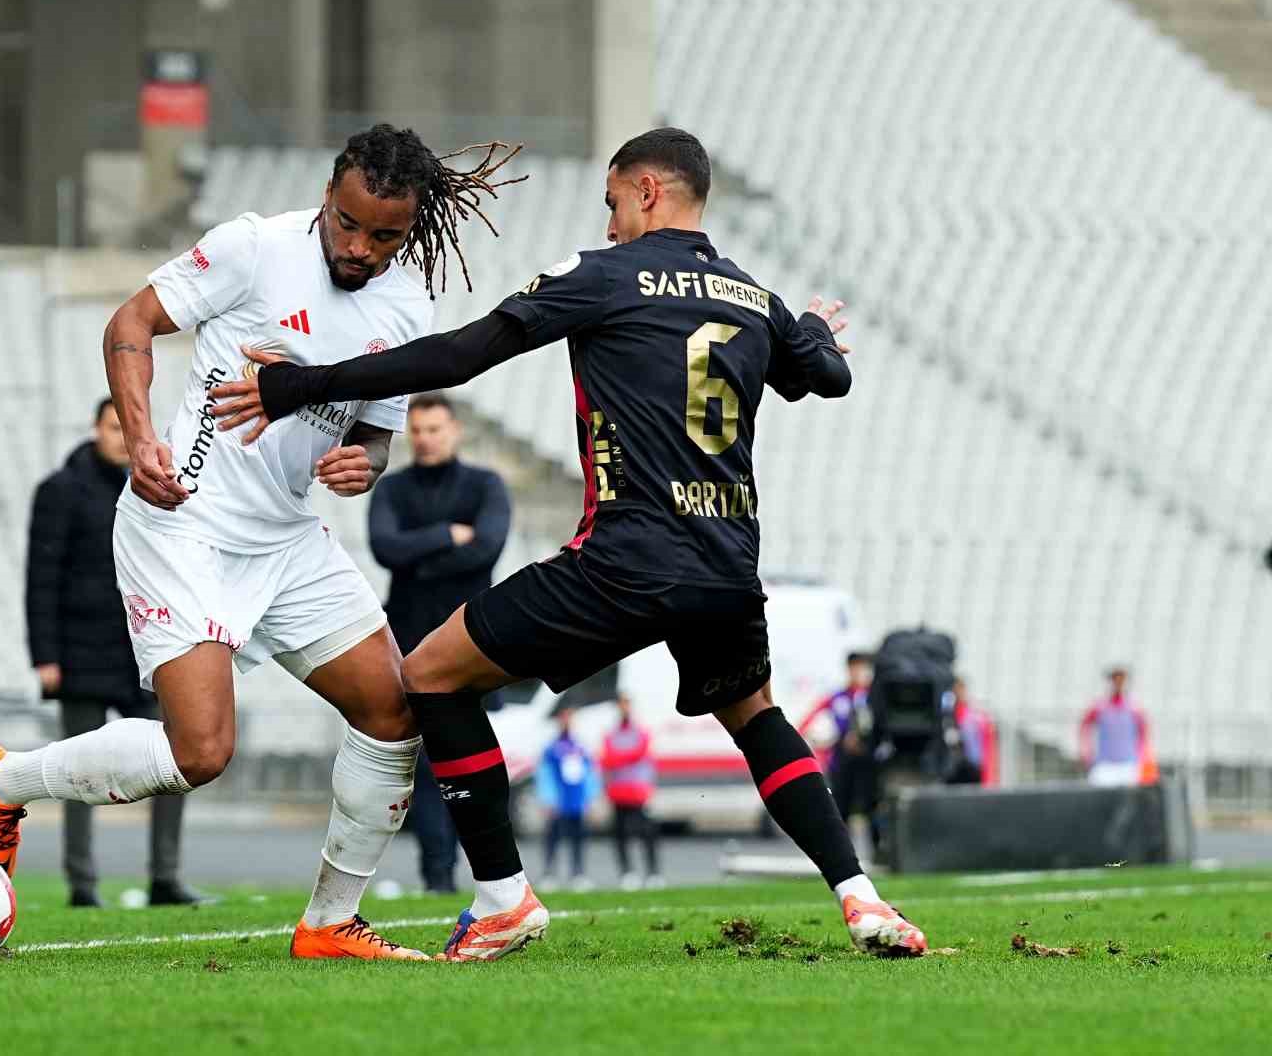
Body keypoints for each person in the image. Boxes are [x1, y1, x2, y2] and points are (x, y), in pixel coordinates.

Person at [211, 126, 928, 960]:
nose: (612, 220)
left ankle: (503, 898)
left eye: (615, 201)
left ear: (649, 191)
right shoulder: (751, 296)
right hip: (727, 565)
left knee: (433, 675)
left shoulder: (605, 276)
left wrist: (300, 383)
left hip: (626, 559)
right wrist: (805, 330)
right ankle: (864, 900)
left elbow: (460, 354)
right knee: (756, 715)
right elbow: (827, 377)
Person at [0, 124, 524, 961]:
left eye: (384, 235)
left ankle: (329, 923)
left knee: (394, 711)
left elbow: (375, 435)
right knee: (203, 751)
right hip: (185, 520)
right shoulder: (254, 248)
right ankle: (0, 783)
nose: (361, 247)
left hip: (289, 537)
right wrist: (143, 438)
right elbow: (132, 322)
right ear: (329, 193)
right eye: (348, 223)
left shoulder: (408, 305)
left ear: (412, 228)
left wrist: (361, 465)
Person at [27, 398, 198, 908]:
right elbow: (41, 577)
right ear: (95, 429)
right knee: (78, 771)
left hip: (143, 650)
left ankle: (164, 876)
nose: (122, 439)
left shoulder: (154, 488)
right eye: (112, 427)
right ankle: (82, 884)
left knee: (176, 760)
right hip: (80, 653)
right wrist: (45, 656)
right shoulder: (60, 490)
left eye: (129, 430)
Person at [367, 391, 511, 893]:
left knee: (467, 758)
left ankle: (484, 873)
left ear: (454, 431)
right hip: (407, 641)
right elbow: (385, 548)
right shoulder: (392, 490)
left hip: (471, 641)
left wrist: (420, 557)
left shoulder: (486, 485)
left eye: (435, 429)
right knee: (426, 765)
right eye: (419, 431)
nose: (427, 439)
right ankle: (438, 874)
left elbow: (488, 548)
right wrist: (449, 535)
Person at [799, 652, 879, 850]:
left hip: (869, 761)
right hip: (842, 761)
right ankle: (844, 853)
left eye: (862, 667)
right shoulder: (838, 698)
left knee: (872, 806)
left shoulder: (875, 698)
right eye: (855, 667)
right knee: (841, 808)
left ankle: (878, 850)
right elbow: (809, 721)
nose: (858, 672)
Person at [600, 694, 660, 889]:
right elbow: (607, 757)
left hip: (638, 791)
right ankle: (627, 872)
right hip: (618, 791)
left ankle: (653, 872)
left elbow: (640, 751)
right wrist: (623, 758)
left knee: (646, 832)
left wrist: (620, 758)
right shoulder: (612, 733)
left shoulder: (639, 732)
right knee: (620, 834)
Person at [536, 709, 597, 889]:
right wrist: (548, 799)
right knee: (553, 838)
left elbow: (589, 774)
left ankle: (578, 873)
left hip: (576, 802)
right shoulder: (551, 748)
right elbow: (544, 774)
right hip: (557, 802)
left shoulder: (580, 747)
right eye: (563, 718)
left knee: (578, 838)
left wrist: (589, 798)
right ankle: (549, 874)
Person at [1079, 666, 1151, 787]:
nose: (1118, 683)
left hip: (1128, 765)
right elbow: (1084, 727)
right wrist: (1086, 752)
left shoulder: (1135, 708)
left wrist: (1143, 757)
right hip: (1104, 764)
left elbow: (1144, 734)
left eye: (1121, 679)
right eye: (1115, 679)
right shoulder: (1099, 707)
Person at [949, 676, 997, 787]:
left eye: (960, 689)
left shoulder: (974, 715)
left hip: (974, 767)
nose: (957, 693)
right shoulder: (952, 714)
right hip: (960, 766)